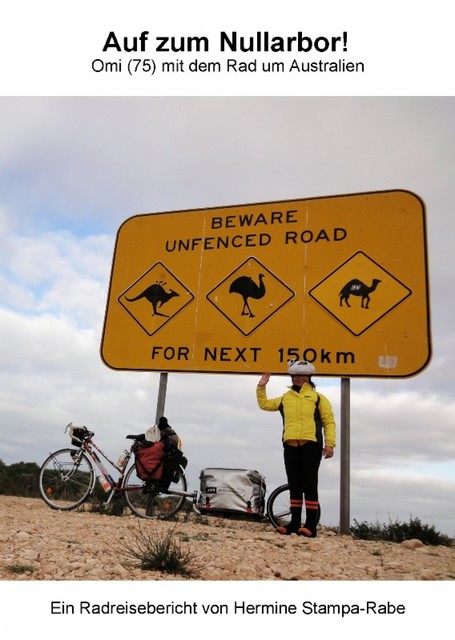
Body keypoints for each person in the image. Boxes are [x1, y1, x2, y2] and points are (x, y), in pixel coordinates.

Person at [256, 360, 336, 537]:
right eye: (295, 375)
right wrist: (261, 386)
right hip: (290, 445)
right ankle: (294, 524)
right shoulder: (286, 397)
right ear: (291, 377)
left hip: (312, 445)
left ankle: (310, 526)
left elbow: (328, 421)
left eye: (302, 375)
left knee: (309, 484)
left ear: (309, 377)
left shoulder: (318, 398)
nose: (298, 378)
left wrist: (330, 444)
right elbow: (265, 405)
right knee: (294, 485)